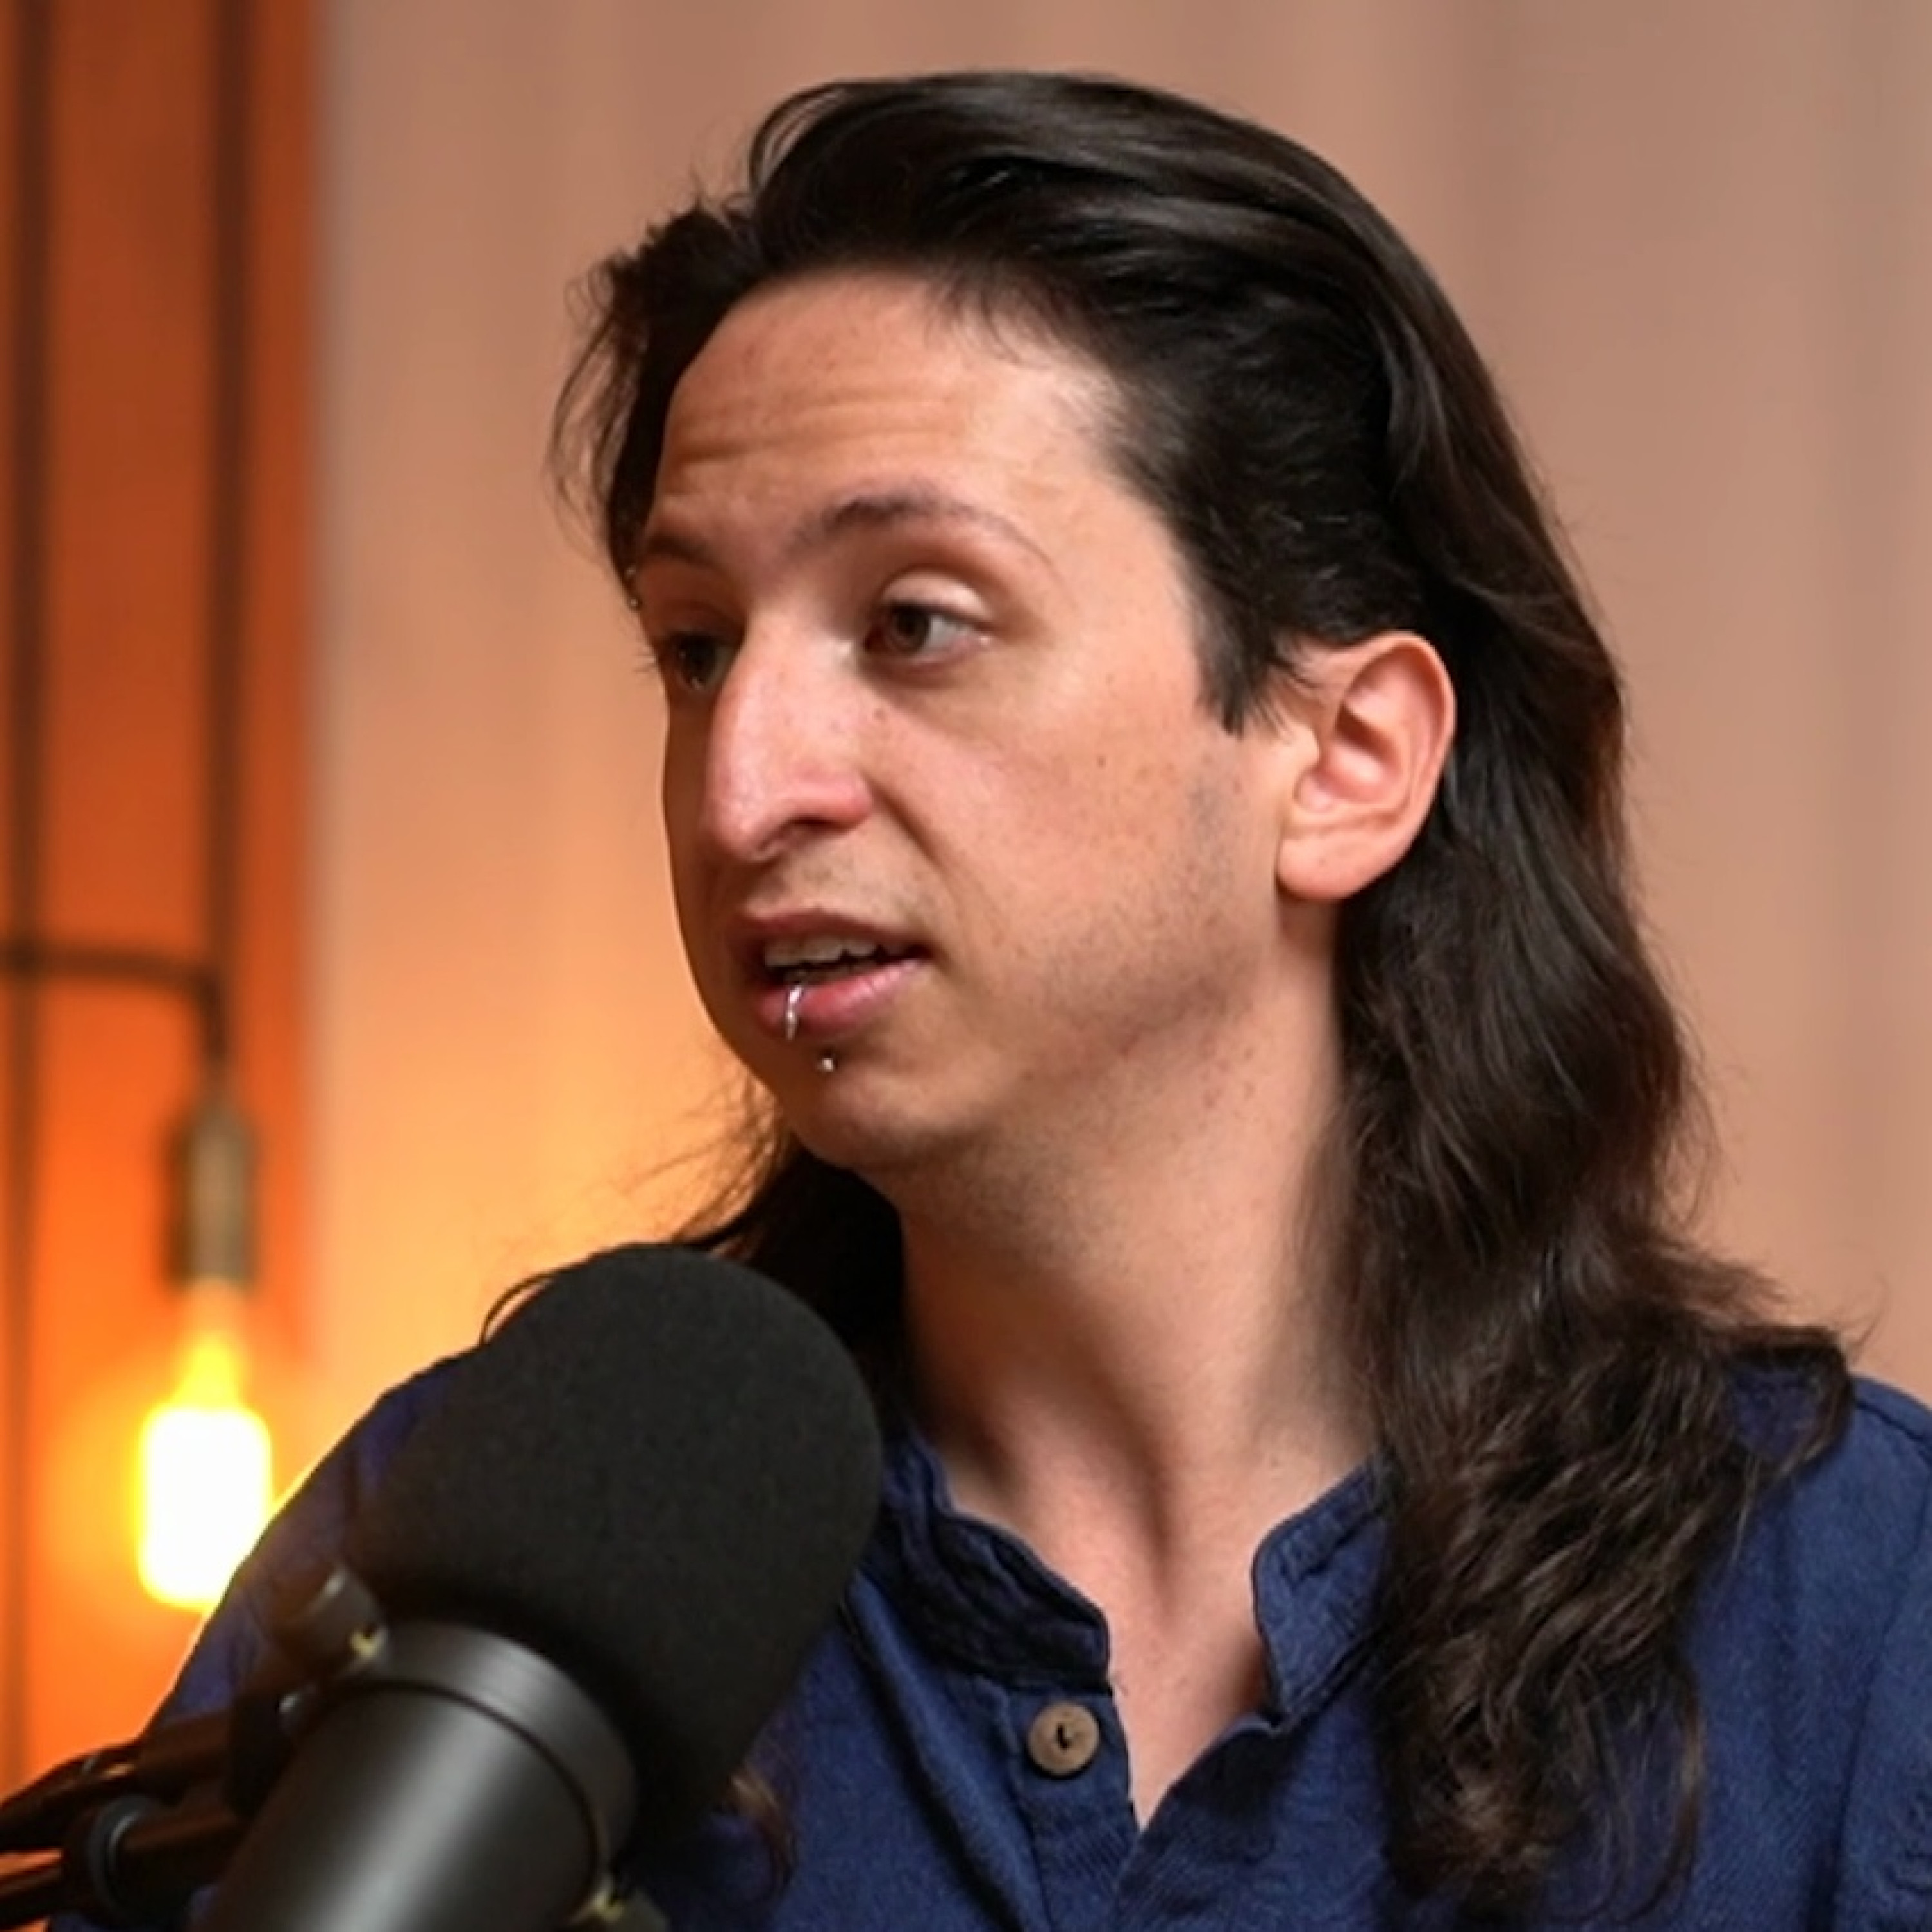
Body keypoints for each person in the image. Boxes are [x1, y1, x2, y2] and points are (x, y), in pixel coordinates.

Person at [55, 70, 1932, 1927]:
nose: (742, 790)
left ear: (1348, 758)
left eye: (915, 623)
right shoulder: (480, 1564)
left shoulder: (1856, 1625)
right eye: (696, 649)